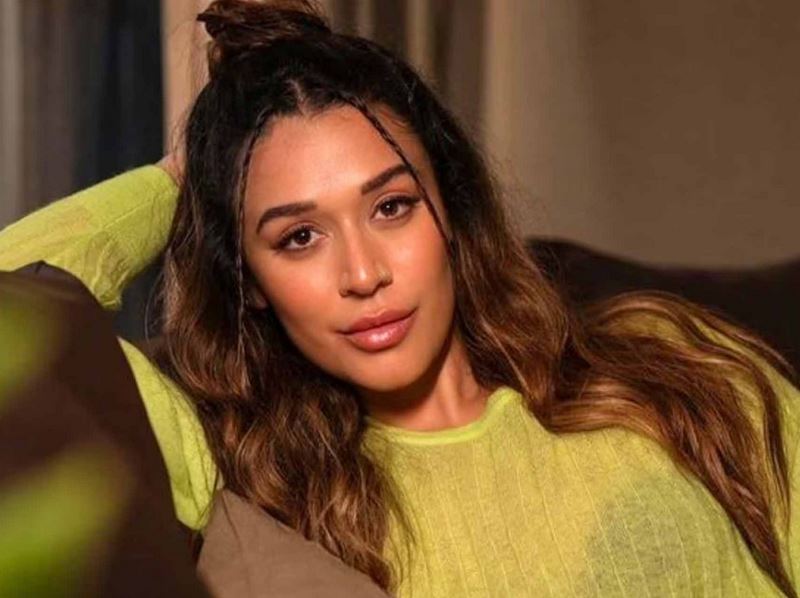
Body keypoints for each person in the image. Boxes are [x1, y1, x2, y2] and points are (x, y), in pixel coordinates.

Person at [1, 0, 798, 595]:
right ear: (249, 284)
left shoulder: (671, 364)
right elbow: (13, 305)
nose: (363, 273)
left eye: (391, 206)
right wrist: (183, 178)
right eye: (298, 237)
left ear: (450, 208)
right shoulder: (245, 481)